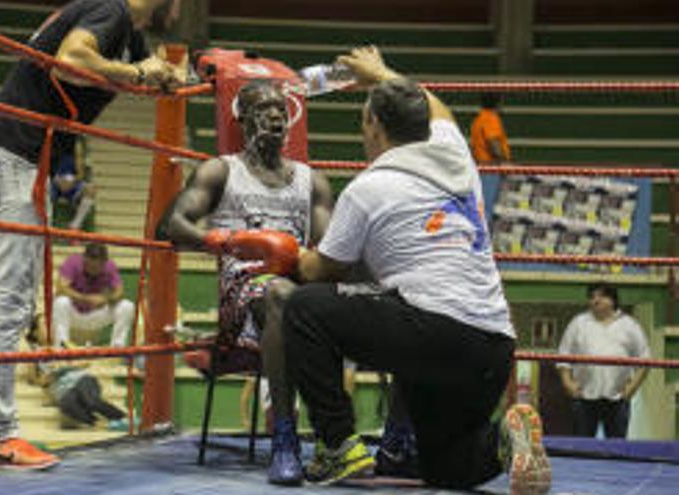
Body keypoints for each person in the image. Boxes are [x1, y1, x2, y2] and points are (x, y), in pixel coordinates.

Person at [0, 0, 183, 470]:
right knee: (9, 303)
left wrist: (160, 73)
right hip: (12, 156)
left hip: (18, 159)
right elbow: (74, 61)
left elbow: (139, 73)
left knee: (7, 301)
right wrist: (141, 74)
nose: (182, 9)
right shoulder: (111, 12)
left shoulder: (127, 35)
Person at [282, 46, 551, 494]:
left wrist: (285, 251)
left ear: (373, 126)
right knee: (447, 469)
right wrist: (382, 73)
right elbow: (439, 107)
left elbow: (318, 270)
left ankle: (337, 445)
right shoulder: (455, 154)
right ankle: (505, 440)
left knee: (304, 308)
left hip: (432, 334)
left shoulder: (368, 188)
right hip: (494, 347)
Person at [157, 79, 334, 486]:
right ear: (243, 118)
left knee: (333, 296)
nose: (275, 114)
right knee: (276, 293)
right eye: (263, 107)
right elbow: (170, 224)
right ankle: (285, 440)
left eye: (280, 108)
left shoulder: (313, 182)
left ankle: (339, 438)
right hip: (244, 293)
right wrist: (229, 240)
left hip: (297, 284)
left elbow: (328, 251)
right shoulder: (222, 170)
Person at [557, 282, 650, 438]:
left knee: (616, 450)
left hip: (617, 399)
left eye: (601, 296)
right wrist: (568, 383)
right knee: (581, 449)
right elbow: (563, 356)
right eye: (592, 297)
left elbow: (645, 359)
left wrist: (632, 388)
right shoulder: (578, 323)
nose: (596, 300)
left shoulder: (629, 325)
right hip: (584, 397)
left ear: (613, 300)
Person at [53, 244, 135, 349]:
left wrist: (104, 299)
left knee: (127, 306)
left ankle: (117, 347)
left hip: (97, 313)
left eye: (97, 267)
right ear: (84, 260)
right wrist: (84, 298)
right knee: (61, 302)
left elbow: (119, 292)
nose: (93, 270)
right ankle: (61, 345)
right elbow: (61, 288)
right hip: (75, 313)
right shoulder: (73, 262)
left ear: (104, 263)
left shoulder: (110, 266)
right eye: (89, 266)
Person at [52, 138, 97, 231]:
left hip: (71, 183)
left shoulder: (75, 148)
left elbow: (80, 174)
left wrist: (72, 182)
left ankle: (74, 225)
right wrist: (57, 180)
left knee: (90, 189)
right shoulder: (52, 145)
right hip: (54, 180)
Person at [469, 92, 511, 165]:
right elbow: (494, 146)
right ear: (499, 103)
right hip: (492, 168)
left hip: (481, 168)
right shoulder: (490, 119)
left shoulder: (478, 119)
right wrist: (505, 164)